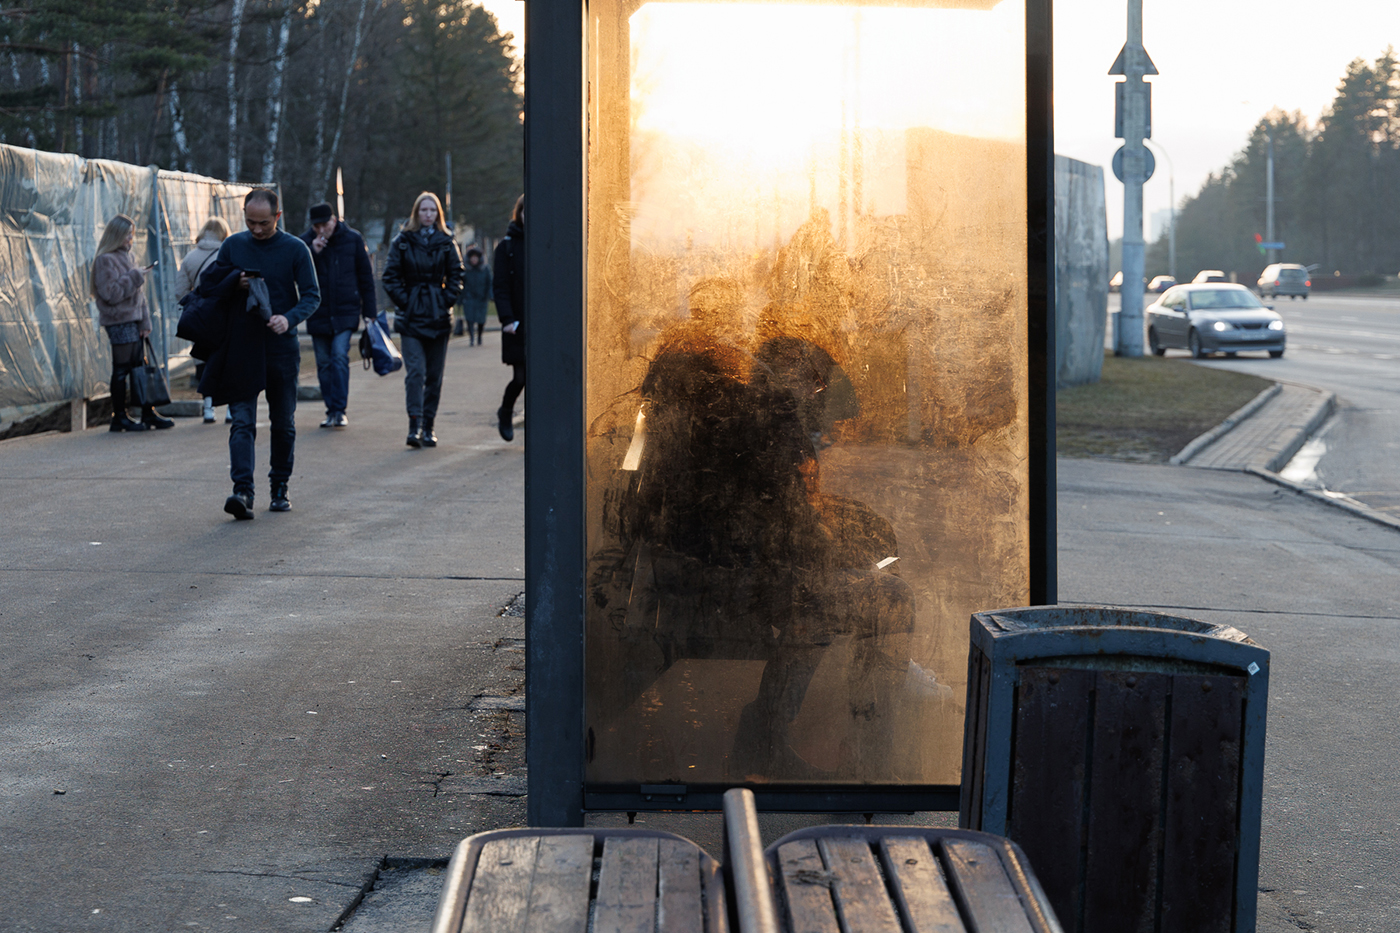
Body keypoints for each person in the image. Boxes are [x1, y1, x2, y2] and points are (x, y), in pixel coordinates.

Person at [199, 188, 320, 519]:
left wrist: (288, 318)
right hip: (242, 346)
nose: (256, 229)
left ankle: (280, 486)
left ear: (277, 217)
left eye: (263, 223)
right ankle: (243, 492)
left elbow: (312, 295)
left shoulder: (295, 249)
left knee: (283, 423)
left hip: (281, 348)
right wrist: (233, 283)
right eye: (250, 222)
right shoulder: (232, 245)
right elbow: (210, 286)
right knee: (241, 421)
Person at [382, 191, 464, 449]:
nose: (428, 214)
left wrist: (445, 300)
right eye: (424, 210)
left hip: (438, 316)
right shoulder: (402, 242)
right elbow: (390, 276)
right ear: (416, 213)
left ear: (438, 214)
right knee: (416, 372)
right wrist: (407, 301)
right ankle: (414, 425)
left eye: (432, 210)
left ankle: (428, 426)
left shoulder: (447, 242)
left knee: (434, 376)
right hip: (412, 317)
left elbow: (457, 275)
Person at [299, 202, 378, 428]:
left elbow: (365, 278)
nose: (321, 230)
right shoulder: (304, 244)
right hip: (318, 311)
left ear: (334, 220)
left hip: (346, 311)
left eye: (325, 224)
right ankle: (331, 409)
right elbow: (296, 275)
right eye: (316, 226)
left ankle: (340, 409)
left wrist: (369, 313)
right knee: (323, 363)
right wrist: (312, 253)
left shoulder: (352, 239)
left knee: (339, 356)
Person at [92, 214, 170, 433]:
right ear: (116, 235)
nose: (130, 239)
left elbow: (139, 296)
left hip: (134, 320)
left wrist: (145, 322)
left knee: (139, 366)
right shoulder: (105, 260)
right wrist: (135, 276)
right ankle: (119, 417)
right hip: (119, 321)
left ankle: (147, 412)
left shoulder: (129, 256)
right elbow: (110, 294)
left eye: (131, 234)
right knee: (122, 369)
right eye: (127, 235)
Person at [175, 217, 231, 424]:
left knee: (204, 362)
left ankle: (208, 408)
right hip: (225, 315)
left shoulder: (190, 257)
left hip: (201, 318)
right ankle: (231, 409)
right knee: (227, 361)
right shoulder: (228, 255)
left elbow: (180, 291)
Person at [492, 195, 524, 441]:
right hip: (517, 323)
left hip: (544, 324)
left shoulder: (547, 243)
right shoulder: (507, 247)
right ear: (519, 213)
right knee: (521, 377)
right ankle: (506, 411)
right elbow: (500, 287)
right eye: (525, 211)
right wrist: (507, 320)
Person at [459, 246, 492, 346]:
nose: (474, 259)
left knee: (481, 320)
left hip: (481, 298)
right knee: (469, 319)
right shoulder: (465, 270)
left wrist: (489, 295)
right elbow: (461, 284)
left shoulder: (485, 269)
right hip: (469, 298)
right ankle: (472, 338)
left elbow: (489, 283)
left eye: (475, 257)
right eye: (472, 257)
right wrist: (459, 299)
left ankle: (479, 336)